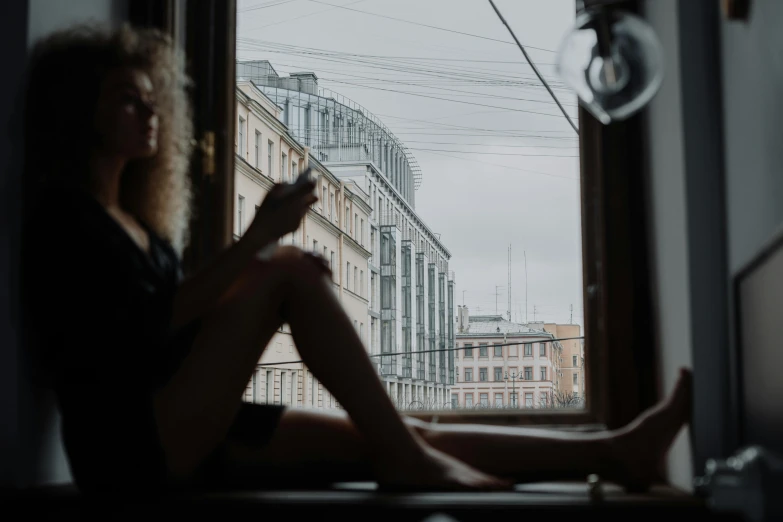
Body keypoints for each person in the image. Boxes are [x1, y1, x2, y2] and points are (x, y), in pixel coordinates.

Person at [20, 24, 691, 497]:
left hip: (190, 422)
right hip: (132, 448)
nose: (149, 112)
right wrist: (258, 250)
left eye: (150, 96)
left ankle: (614, 451)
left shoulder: (138, 226)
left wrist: (256, 288)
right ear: (79, 111)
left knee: (403, 428)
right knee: (285, 268)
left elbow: (177, 327)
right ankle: (408, 462)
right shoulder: (65, 219)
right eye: (125, 99)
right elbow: (142, 332)